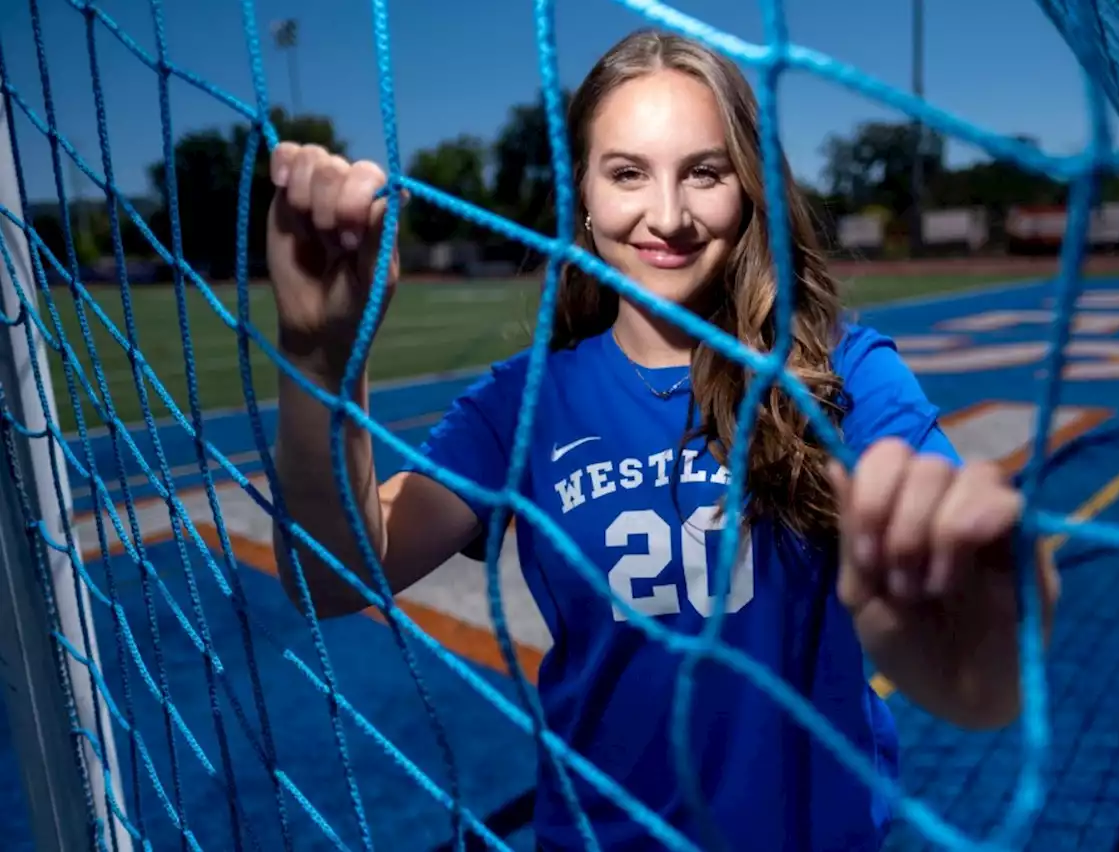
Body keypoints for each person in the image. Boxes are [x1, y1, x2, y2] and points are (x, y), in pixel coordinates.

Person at [266, 27, 1059, 852]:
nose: (670, 216)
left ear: (750, 186)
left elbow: (983, 663)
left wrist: (979, 597)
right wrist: (320, 355)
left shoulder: (839, 373)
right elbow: (334, 576)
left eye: (705, 172)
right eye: (628, 173)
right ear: (581, 192)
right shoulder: (527, 402)